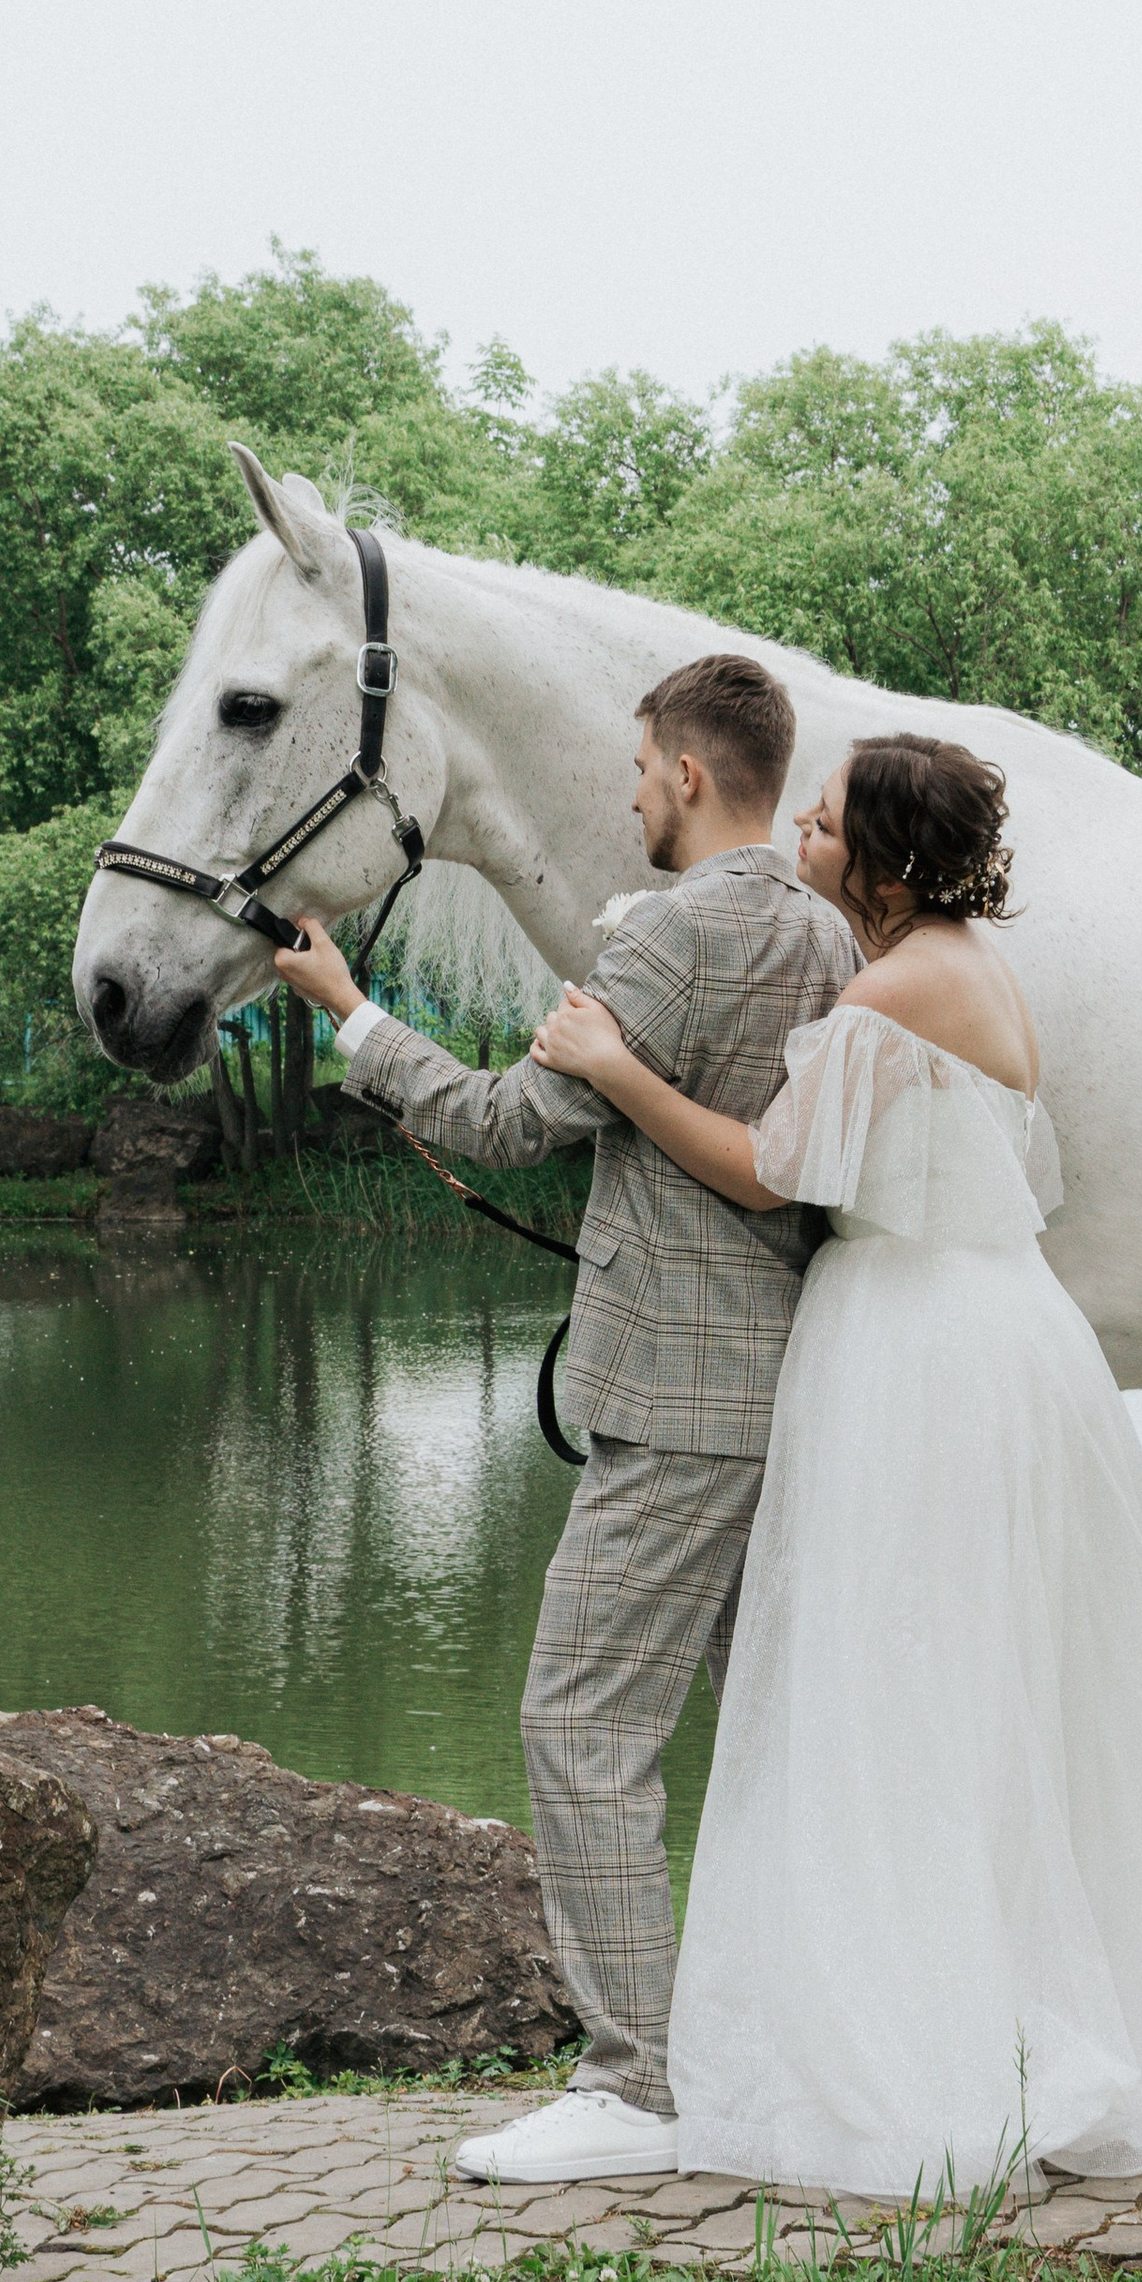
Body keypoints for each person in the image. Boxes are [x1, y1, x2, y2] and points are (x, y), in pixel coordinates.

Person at [530, 732, 1142, 2194]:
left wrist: (615, 1063)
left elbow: (771, 1169)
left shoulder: (895, 983)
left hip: (914, 1340)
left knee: (905, 1691)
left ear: (879, 855)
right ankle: (990, 2008)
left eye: (820, 822)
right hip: (995, 1322)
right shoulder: (967, 963)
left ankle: (929, 2048)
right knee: (984, 1684)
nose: (798, 833)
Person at [272, 653, 858, 2186]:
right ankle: (787, 2035)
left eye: (640, 768)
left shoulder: (674, 934)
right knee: (774, 1735)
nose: (629, 794)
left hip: (677, 1401)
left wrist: (349, 1013)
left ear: (680, 770)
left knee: (582, 1726)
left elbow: (501, 1123)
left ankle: (635, 2089)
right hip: (780, 1384)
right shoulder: (822, 925)